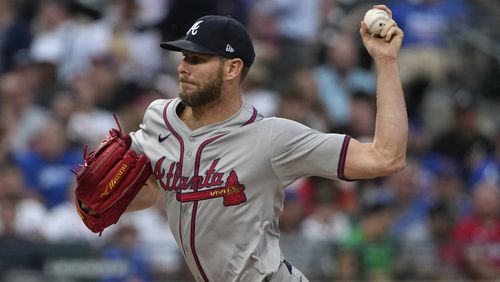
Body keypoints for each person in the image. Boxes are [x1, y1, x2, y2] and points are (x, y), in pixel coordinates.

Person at [102, 5, 406, 281]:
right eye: (184, 57)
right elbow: (149, 192)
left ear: (233, 68)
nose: (184, 67)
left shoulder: (271, 138)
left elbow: (385, 157)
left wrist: (386, 61)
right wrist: (101, 201)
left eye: (198, 59)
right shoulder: (160, 119)